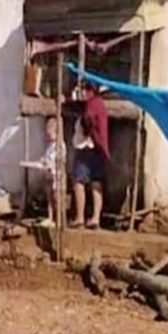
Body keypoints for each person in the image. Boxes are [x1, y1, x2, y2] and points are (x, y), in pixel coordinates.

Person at [69, 82, 109, 229]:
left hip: (87, 147)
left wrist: (87, 130)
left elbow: (88, 120)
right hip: (98, 149)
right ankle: (95, 218)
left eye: (84, 90)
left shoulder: (92, 105)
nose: (82, 93)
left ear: (90, 91)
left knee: (79, 182)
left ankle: (80, 217)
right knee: (96, 182)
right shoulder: (98, 104)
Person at [39, 115, 66, 225]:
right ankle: (50, 218)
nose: (48, 134)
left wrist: (51, 165)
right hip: (49, 175)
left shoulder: (60, 145)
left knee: (57, 198)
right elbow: (47, 158)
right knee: (49, 197)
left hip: (57, 176)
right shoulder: (49, 146)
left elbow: (60, 160)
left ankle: (59, 219)